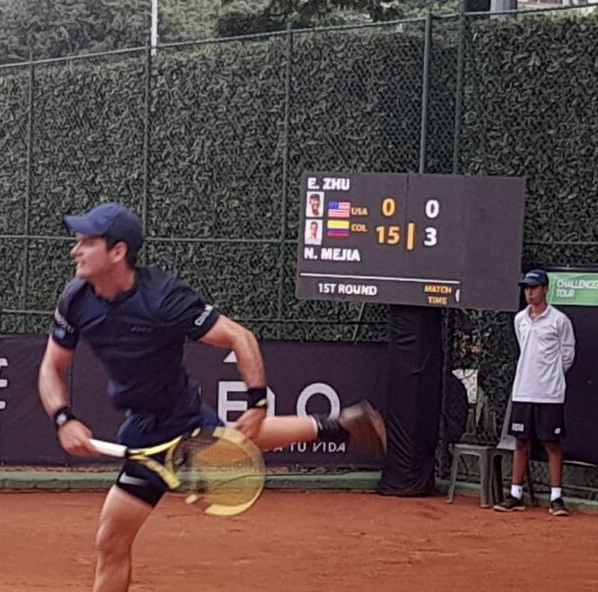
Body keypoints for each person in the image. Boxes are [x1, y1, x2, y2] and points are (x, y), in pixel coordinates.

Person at [37, 202, 387, 592]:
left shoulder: (164, 298)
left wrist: (257, 402)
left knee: (112, 539)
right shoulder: (76, 300)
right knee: (117, 537)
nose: (75, 250)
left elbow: (240, 337)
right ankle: (336, 426)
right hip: (143, 429)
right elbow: (51, 368)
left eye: (87, 242)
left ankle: (336, 426)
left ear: (118, 251)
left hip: (177, 416)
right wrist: (63, 418)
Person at [495, 268, 576, 516]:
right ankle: (515, 494)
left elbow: (567, 355)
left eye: (534, 288)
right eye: (527, 289)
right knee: (521, 442)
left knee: (552, 443)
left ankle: (556, 498)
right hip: (523, 391)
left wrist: (551, 377)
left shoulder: (560, 320)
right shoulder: (519, 319)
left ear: (545, 290)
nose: (529, 293)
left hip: (549, 393)